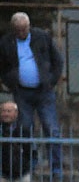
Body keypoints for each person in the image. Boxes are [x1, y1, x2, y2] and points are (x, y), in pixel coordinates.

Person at [0, 12, 63, 173]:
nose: (22, 32)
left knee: (51, 128)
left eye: (24, 29)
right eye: (18, 30)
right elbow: (3, 67)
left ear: (29, 26)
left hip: (44, 91)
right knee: (25, 128)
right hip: (22, 92)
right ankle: (31, 162)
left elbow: (57, 60)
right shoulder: (6, 42)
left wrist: (51, 80)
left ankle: (56, 166)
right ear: (13, 29)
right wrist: (10, 81)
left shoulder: (42, 37)